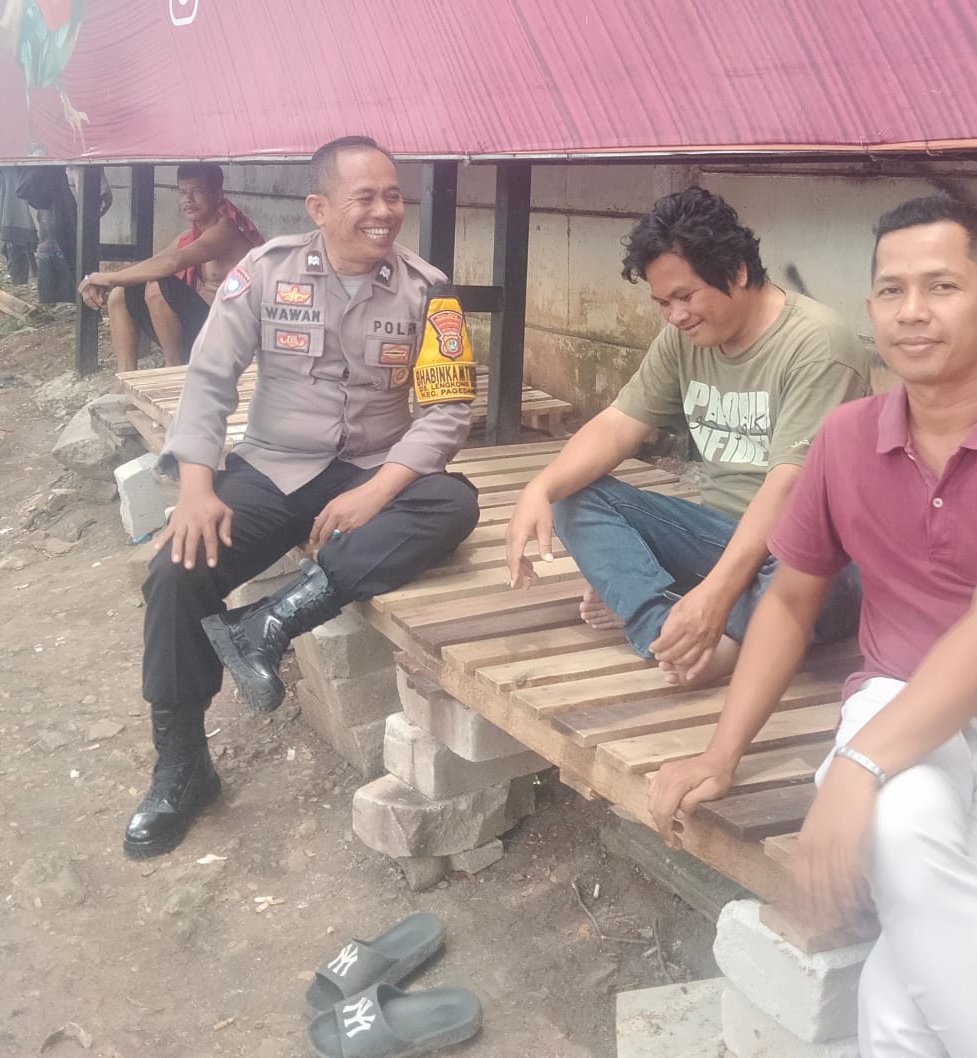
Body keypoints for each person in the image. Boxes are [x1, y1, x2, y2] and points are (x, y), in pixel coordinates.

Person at [649, 196, 977, 1056]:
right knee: (904, 834)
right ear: (870, 309)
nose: (912, 311)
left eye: (942, 287)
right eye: (891, 290)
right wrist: (722, 754)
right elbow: (790, 599)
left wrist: (858, 766)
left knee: (902, 1003)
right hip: (897, 704)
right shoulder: (845, 438)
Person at [124, 136, 481, 860]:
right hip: (273, 469)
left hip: (372, 466)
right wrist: (197, 488)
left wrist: (378, 489)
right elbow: (209, 379)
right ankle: (182, 769)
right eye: (365, 197)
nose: (385, 211)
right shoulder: (265, 272)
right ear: (319, 208)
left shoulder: (429, 288)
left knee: (453, 504)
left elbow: (448, 409)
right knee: (175, 572)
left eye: (393, 196)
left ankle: (269, 621)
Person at [504, 187, 868, 686]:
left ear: (737, 272)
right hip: (718, 540)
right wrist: (540, 487)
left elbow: (789, 490)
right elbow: (618, 424)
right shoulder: (683, 339)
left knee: (820, 578)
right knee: (573, 493)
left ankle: (708, 629)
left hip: (806, 554)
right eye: (662, 303)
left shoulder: (818, 344)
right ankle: (668, 631)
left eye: (685, 296)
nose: (675, 315)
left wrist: (713, 597)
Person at [77, 164, 263, 371]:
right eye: (183, 192)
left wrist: (108, 279)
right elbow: (152, 263)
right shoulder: (188, 237)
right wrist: (101, 278)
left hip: (232, 335)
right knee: (121, 292)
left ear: (217, 195)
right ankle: (125, 377)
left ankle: (173, 369)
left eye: (197, 191)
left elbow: (173, 262)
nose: (188, 199)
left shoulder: (227, 229)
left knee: (158, 286)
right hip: (203, 330)